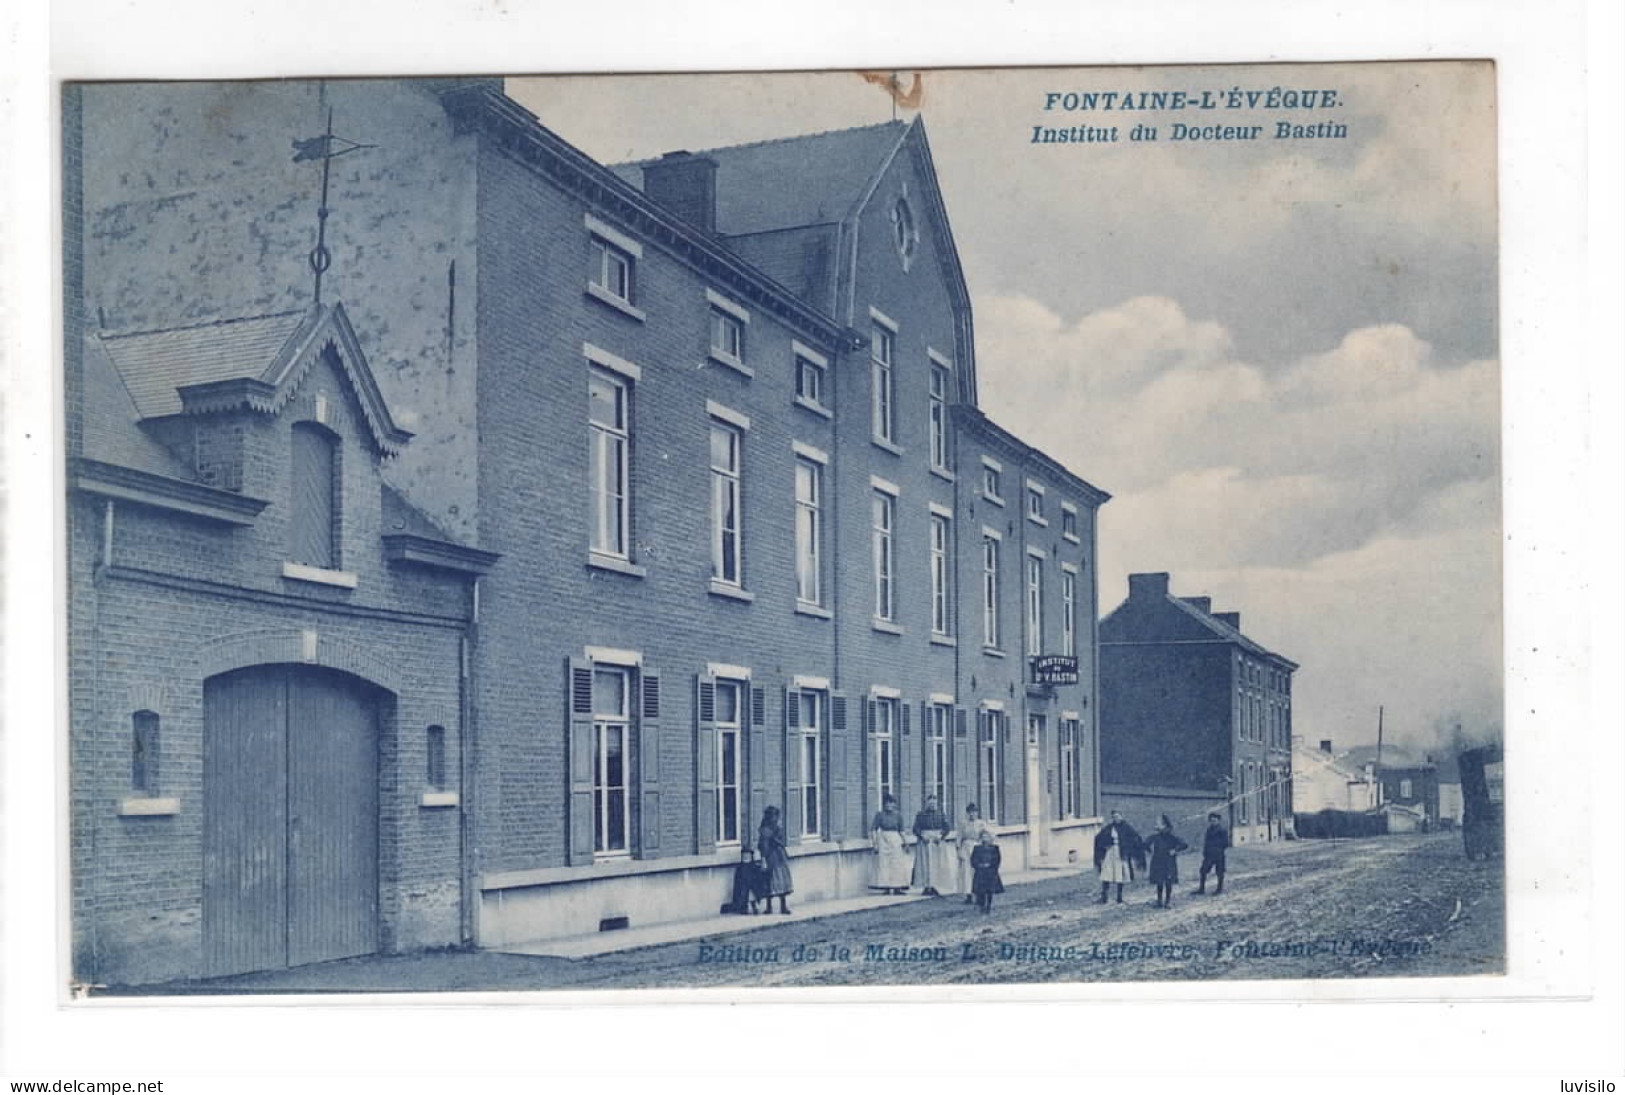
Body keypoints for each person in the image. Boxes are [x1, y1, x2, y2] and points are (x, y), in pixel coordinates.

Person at [1092, 809, 1144, 904]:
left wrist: (1129, 849)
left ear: (1121, 816)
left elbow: (1135, 838)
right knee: (1107, 873)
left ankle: (1119, 897)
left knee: (1120, 874)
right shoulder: (1110, 828)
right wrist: (1105, 845)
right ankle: (1104, 896)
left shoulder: (1126, 828)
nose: (1116, 819)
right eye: (1114, 817)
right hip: (1111, 852)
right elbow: (1099, 837)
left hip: (1121, 853)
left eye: (1118, 816)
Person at [911, 794, 954, 897]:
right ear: (926, 803)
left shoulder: (941, 815)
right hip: (924, 841)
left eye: (934, 803)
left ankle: (935, 886)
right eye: (930, 803)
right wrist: (921, 835)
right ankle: (926, 886)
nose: (932, 805)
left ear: (937, 804)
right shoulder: (921, 815)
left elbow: (947, 828)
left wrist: (941, 836)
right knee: (925, 864)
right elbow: (915, 828)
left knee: (936, 864)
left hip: (937, 842)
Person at [1143, 814, 1189, 909]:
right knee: (1159, 881)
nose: (1156, 825)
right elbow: (1145, 844)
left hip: (1168, 862)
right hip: (1158, 861)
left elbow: (1184, 844)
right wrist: (1150, 851)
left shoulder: (1171, 836)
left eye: (1159, 824)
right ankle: (1159, 901)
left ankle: (1167, 901)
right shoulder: (1155, 836)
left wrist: (1175, 850)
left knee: (1168, 882)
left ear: (1165, 825)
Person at [870, 794, 911, 895]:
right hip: (883, 840)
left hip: (895, 840)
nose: (889, 805)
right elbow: (873, 830)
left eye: (891, 803)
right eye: (887, 803)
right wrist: (875, 844)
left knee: (896, 864)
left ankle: (897, 887)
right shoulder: (879, 815)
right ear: (884, 804)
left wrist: (906, 843)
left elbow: (901, 831)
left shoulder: (898, 815)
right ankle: (886, 887)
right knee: (884, 864)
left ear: (894, 804)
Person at [757, 806, 793, 915]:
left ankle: (783, 906)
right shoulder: (765, 830)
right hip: (771, 857)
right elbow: (763, 845)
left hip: (780, 857)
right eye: (774, 816)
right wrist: (763, 858)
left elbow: (781, 840)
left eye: (776, 816)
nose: (776, 819)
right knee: (770, 882)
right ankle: (769, 907)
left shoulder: (777, 828)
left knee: (782, 882)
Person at [956, 803, 994, 904]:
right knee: (966, 872)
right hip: (966, 848)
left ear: (977, 813)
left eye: (974, 812)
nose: (972, 814)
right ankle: (968, 895)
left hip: (977, 849)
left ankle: (978, 894)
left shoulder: (981, 824)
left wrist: (986, 844)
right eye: (970, 812)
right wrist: (958, 850)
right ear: (967, 813)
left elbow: (991, 834)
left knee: (977, 872)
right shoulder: (963, 824)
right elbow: (959, 837)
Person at [1194, 812, 1230, 895]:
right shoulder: (1209, 830)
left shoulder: (1222, 830)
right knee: (1203, 870)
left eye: (1215, 820)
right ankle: (1201, 889)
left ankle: (1219, 889)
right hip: (1209, 855)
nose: (1213, 822)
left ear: (1218, 821)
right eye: (1211, 820)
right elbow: (1206, 842)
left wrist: (1217, 848)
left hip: (1219, 854)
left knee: (1219, 872)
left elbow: (1226, 843)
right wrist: (1205, 851)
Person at [970, 830, 1004, 914]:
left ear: (990, 838)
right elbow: (973, 859)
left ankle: (988, 906)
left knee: (989, 890)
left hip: (990, 872)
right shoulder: (977, 848)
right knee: (981, 891)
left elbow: (997, 859)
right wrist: (979, 865)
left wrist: (991, 866)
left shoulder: (994, 848)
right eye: (983, 837)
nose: (985, 839)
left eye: (986, 837)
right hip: (980, 872)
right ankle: (981, 906)